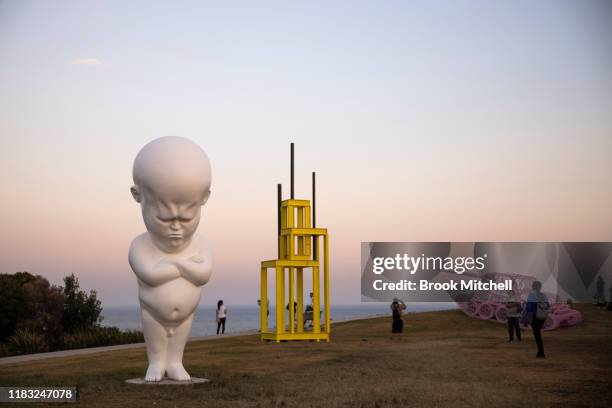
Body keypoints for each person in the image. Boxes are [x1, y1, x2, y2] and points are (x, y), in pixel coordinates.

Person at [526, 281, 549, 358]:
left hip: (535, 316)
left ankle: (541, 352)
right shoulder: (543, 295)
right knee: (538, 333)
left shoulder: (531, 295)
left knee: (537, 334)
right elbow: (548, 305)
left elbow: (529, 307)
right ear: (540, 287)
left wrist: (527, 315)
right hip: (542, 317)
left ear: (533, 287)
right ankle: (540, 352)